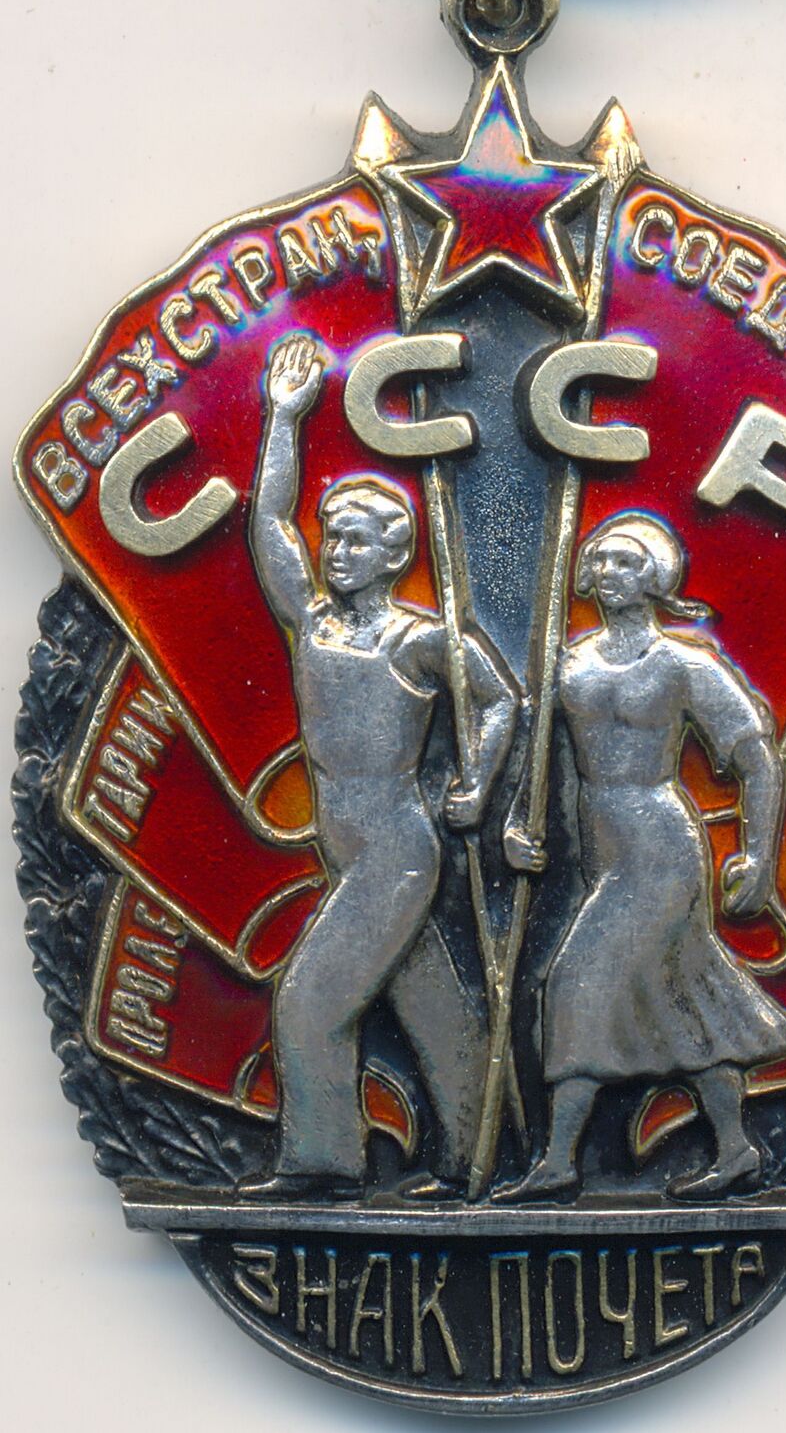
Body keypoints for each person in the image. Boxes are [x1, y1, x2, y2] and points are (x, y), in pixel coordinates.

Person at [245, 333, 518, 1200]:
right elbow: (268, 524)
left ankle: (324, 1162)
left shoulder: (421, 639)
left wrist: (478, 782)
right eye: (333, 537)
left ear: (395, 555)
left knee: (310, 1000)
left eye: (357, 541)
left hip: (397, 851)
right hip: (348, 846)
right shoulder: (312, 623)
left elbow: (502, 699)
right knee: (430, 1003)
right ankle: (482, 1155)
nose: (335, 551)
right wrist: (283, 418)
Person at [496, 511, 786, 1203]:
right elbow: (538, 763)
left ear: (656, 577)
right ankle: (736, 1148)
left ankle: (558, 1160)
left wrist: (759, 858)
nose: (610, 573)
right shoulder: (567, 663)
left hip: (660, 846)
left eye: (627, 562)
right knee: (680, 991)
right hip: (599, 846)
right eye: (601, 560)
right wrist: (519, 824)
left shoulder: (683, 664)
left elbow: (756, 755)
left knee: (575, 982)